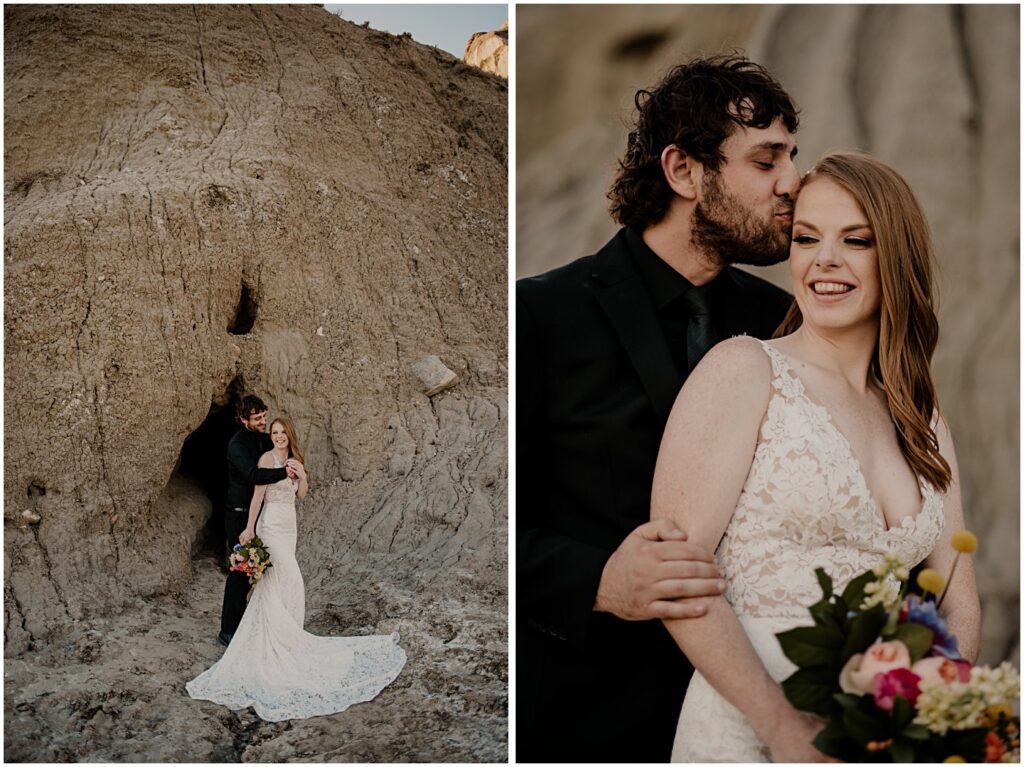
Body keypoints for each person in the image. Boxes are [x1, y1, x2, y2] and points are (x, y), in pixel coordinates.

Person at [652, 153, 981, 762]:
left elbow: (957, 588)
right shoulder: (744, 370)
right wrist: (780, 728)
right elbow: (676, 578)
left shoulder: (920, 411)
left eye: (855, 240)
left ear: (896, 256)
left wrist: (937, 711)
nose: (824, 259)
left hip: (876, 734)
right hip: (751, 728)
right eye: (806, 238)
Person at [517, 55, 799, 762]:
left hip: (764, 711)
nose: (793, 183)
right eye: (767, 161)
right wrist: (598, 580)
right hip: (592, 719)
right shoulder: (540, 315)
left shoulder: (786, 323)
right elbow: (488, 523)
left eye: (792, 158)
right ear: (683, 171)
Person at [188, 417, 407, 721]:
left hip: (289, 528)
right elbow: (257, 498)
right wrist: (249, 529)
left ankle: (287, 637)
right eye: (273, 432)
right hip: (270, 526)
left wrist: (302, 476)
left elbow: (301, 496)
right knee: (290, 579)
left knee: (279, 584)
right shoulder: (266, 459)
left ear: (289, 436)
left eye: (281, 433)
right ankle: (281, 639)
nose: (277, 436)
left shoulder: (294, 460)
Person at [219, 394, 297, 646]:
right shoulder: (237, 445)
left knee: (264, 571)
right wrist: (283, 473)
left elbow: (278, 449)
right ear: (243, 420)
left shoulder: (264, 440)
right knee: (240, 572)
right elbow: (253, 475)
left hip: (265, 516)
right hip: (240, 515)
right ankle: (228, 631)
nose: (263, 422)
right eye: (257, 419)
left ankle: (260, 625)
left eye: (264, 416)